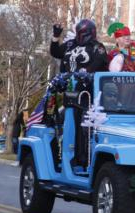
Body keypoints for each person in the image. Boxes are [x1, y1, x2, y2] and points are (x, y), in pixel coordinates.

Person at [50, 19, 108, 168]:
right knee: (61, 122)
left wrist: (84, 73)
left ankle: (81, 158)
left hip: (88, 94)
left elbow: (100, 62)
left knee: (82, 125)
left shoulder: (97, 47)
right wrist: (56, 37)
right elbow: (55, 52)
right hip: (69, 92)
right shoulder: (70, 44)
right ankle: (61, 156)